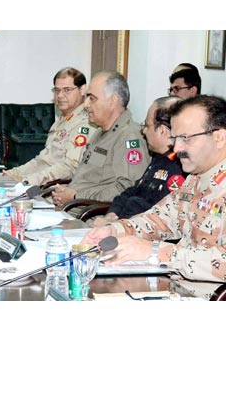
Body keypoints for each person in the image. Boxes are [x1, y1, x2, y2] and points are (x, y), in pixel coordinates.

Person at [84, 95, 226, 284]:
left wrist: (155, 252)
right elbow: (159, 219)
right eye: (175, 138)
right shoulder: (195, 179)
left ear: (219, 137)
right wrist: (114, 230)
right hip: (172, 287)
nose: (176, 147)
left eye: (185, 138)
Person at [51, 70, 148, 206]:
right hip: (72, 207)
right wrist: (66, 192)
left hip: (90, 216)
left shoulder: (129, 138)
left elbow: (127, 190)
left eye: (92, 98)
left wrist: (76, 195)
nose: (86, 104)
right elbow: (87, 178)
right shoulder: (100, 131)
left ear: (113, 101)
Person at [90, 96, 186, 226]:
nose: (144, 131)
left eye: (147, 125)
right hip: (127, 226)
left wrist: (115, 224)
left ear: (162, 131)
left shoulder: (179, 167)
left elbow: (154, 214)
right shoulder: (159, 158)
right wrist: (113, 214)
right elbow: (132, 191)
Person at [4, 67, 100, 185]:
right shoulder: (61, 121)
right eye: (57, 90)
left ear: (82, 90)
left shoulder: (85, 125)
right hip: (42, 187)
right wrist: (13, 173)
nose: (60, 95)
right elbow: (42, 161)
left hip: (58, 194)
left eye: (67, 90)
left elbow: (70, 168)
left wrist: (28, 181)